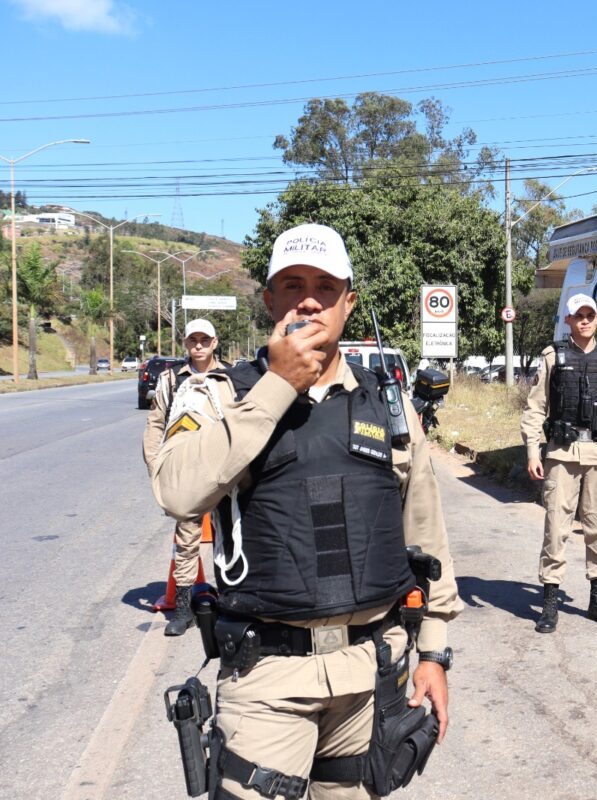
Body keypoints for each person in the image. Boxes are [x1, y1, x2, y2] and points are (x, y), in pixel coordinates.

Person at [151, 223, 461, 798]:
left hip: (371, 671)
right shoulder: (222, 393)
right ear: (269, 299)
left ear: (349, 302)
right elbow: (175, 489)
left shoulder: (389, 405)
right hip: (267, 677)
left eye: (326, 285)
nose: (309, 298)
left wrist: (435, 651)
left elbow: (426, 532)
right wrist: (277, 386)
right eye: (291, 284)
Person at [520, 293, 597, 634]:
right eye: (579, 316)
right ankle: (549, 601)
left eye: (590, 315)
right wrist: (533, 451)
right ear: (569, 321)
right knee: (556, 527)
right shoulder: (553, 358)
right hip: (562, 455)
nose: (585, 320)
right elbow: (535, 408)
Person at [142, 317, 227, 636]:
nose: (199, 345)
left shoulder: (228, 377)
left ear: (215, 342)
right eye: (193, 340)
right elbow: (154, 424)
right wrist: (155, 465)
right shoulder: (171, 380)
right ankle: (182, 608)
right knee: (187, 540)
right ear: (185, 343)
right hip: (185, 472)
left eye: (205, 340)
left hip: (222, 469)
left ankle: (231, 599)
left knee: (230, 536)